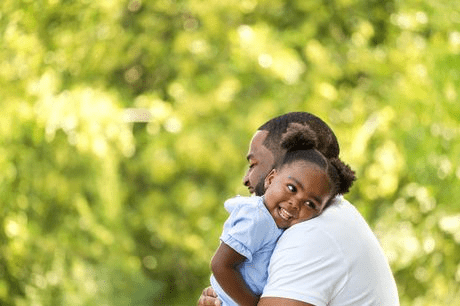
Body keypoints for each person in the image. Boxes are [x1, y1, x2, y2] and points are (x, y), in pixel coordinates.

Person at [198, 112, 399, 306]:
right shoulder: (328, 217)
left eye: (254, 164)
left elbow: (221, 265)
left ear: (280, 168)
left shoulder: (312, 233)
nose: (246, 179)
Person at [210, 126, 355, 306]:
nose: (295, 203)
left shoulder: (281, 226)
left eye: (310, 204)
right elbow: (220, 265)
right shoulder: (257, 219)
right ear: (271, 179)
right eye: (292, 188)